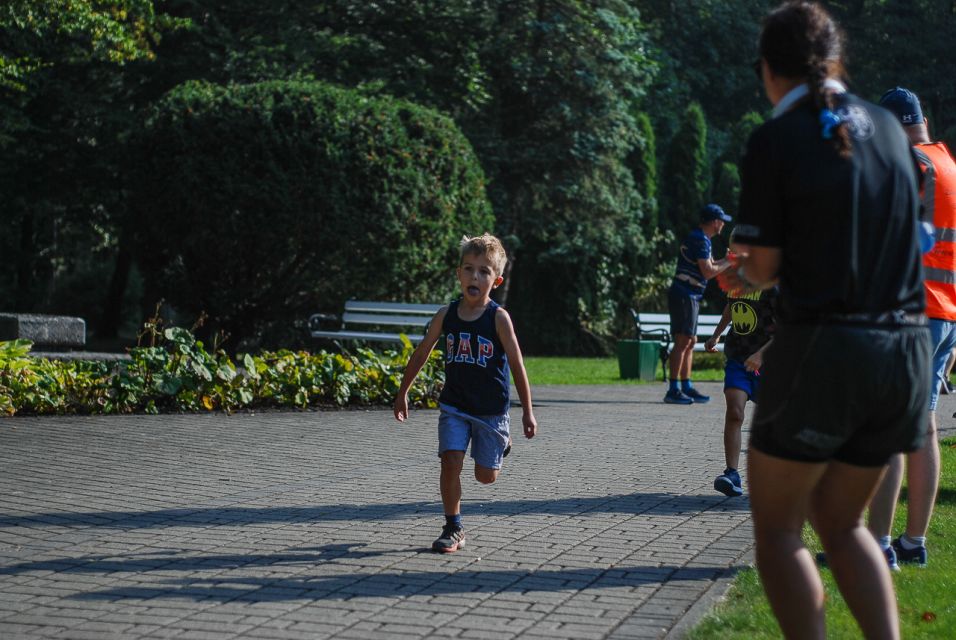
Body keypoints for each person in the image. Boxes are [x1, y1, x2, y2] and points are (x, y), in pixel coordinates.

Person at [727, 2, 931, 638]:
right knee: (844, 524)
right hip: (902, 354)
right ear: (835, 60)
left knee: (780, 529)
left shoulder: (776, 139)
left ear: (768, 69)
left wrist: (741, 275)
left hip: (823, 349)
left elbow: (764, 266)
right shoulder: (891, 130)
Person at [393, 233, 538, 553]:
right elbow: (421, 353)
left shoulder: (498, 318)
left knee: (486, 477)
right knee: (450, 461)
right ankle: (453, 526)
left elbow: (517, 365)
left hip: (490, 411)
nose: (475, 276)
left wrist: (527, 411)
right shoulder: (447, 314)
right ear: (458, 274)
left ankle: (502, 443)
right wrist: (403, 391)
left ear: (496, 280)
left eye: (484, 271)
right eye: (469, 269)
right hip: (455, 406)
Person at [865, 87, 956, 568]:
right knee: (923, 427)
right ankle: (913, 543)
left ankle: (878, 547)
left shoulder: (909, 167)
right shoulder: (948, 165)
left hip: (911, 313)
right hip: (945, 315)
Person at [705, 265, 777, 497]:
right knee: (735, 413)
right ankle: (732, 474)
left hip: (770, 362)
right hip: (738, 357)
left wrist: (761, 355)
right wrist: (717, 334)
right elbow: (731, 307)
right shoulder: (734, 281)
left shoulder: (772, 284)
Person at [664, 203, 732, 405]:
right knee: (683, 340)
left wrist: (727, 260)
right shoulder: (700, 240)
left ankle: (686, 386)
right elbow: (708, 272)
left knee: (691, 341)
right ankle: (673, 389)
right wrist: (730, 262)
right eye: (721, 221)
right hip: (685, 293)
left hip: (690, 294)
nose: (723, 225)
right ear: (714, 221)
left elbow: (710, 266)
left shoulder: (703, 239)